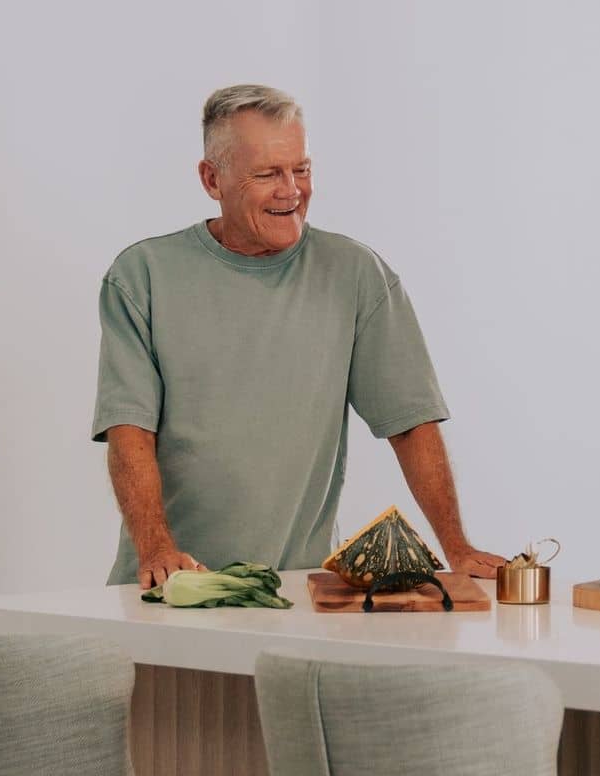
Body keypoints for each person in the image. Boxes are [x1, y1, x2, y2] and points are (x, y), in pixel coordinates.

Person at [93, 83, 507, 589]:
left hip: (295, 594)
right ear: (211, 179)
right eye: (267, 174)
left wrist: (457, 548)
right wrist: (156, 548)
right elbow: (129, 431)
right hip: (169, 587)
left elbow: (411, 423)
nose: (291, 190)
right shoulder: (142, 277)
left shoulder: (356, 275)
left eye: (301, 169)